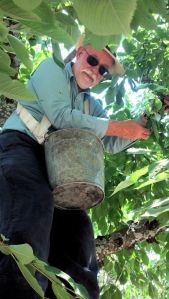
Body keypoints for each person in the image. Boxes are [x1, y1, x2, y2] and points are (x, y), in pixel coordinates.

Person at [0, 37, 151, 299]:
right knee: (32, 207)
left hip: (58, 170)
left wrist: (142, 124)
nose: (95, 71)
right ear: (79, 53)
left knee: (79, 235)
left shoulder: (92, 106)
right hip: (21, 147)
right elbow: (61, 116)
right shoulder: (52, 68)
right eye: (93, 60)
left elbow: (111, 142)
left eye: (102, 69)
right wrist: (120, 125)